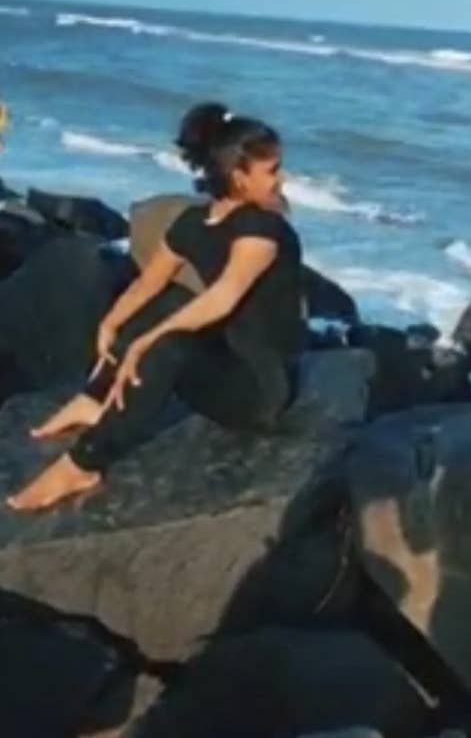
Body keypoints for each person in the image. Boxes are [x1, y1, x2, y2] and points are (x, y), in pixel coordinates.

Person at [7, 102, 304, 511]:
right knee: (167, 302)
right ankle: (95, 399)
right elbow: (148, 282)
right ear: (238, 177)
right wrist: (111, 324)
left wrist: (147, 342)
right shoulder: (193, 223)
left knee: (168, 342)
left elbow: (224, 296)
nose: (281, 179)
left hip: (260, 385)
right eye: (272, 170)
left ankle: (83, 463)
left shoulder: (263, 230)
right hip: (228, 353)